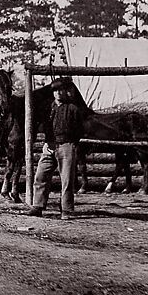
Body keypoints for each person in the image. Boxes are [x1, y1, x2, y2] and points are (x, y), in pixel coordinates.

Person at [26, 78, 88, 220]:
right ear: (52, 93)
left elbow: (80, 129)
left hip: (66, 146)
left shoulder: (73, 109)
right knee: (41, 175)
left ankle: (66, 209)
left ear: (66, 92)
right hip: (49, 146)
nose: (58, 93)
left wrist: (71, 144)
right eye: (55, 91)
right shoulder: (48, 108)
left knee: (66, 180)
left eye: (61, 90)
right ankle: (38, 205)